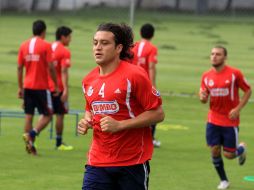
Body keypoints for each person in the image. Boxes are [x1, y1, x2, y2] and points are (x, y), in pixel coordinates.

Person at [78, 23, 165, 190]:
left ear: (119, 48)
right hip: (97, 161)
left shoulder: (135, 75)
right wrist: (86, 121)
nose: (98, 47)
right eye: (95, 42)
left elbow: (158, 114)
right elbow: (90, 109)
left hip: (132, 162)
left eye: (105, 43)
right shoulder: (88, 80)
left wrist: (120, 125)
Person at [199, 46, 251, 190]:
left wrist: (237, 109)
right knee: (215, 150)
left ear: (225, 57)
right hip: (213, 119)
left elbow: (248, 90)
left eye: (218, 54)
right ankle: (224, 181)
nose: (214, 56)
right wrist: (202, 97)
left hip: (230, 120)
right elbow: (203, 97)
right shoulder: (206, 76)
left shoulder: (235, 74)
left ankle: (241, 149)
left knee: (228, 154)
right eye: (212, 54)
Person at [17, 20, 58, 155]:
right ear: (44, 32)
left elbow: (19, 67)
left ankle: (30, 146)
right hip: (41, 86)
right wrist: (56, 84)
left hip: (27, 86)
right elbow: (51, 67)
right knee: (48, 115)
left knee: (29, 116)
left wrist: (20, 87)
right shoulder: (46, 45)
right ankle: (32, 134)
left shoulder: (23, 45)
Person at [131, 23, 160, 147]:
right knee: (153, 110)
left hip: (131, 81)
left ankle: (133, 137)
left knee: (134, 109)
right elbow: (151, 67)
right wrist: (153, 85)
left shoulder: (134, 46)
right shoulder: (152, 48)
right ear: (152, 35)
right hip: (144, 83)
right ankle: (150, 138)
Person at [48, 26, 73, 151]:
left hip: (46, 86)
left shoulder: (49, 47)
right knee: (60, 114)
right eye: (69, 37)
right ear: (63, 37)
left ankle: (32, 137)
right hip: (58, 87)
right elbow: (63, 71)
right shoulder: (64, 51)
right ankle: (58, 143)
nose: (70, 40)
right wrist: (66, 89)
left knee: (45, 114)